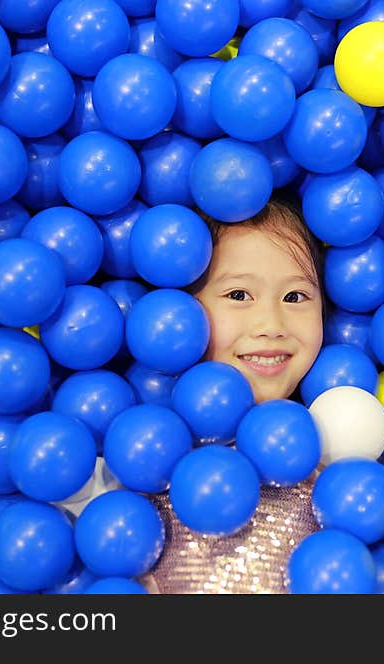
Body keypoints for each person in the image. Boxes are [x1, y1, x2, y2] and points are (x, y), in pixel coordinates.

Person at [145, 196, 327, 593]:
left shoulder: (334, 469)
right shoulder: (146, 460)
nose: (271, 324)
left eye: (295, 297)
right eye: (239, 295)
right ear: (183, 312)